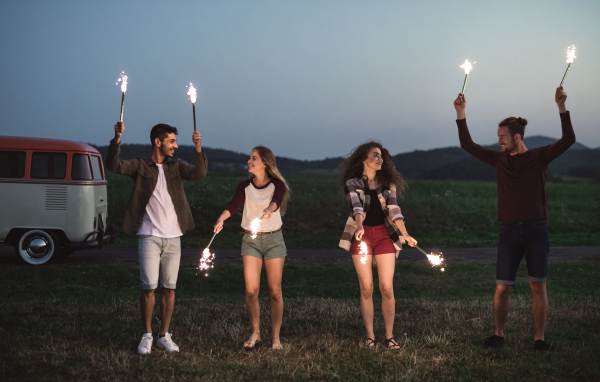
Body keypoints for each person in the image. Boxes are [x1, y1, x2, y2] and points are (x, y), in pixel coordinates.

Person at [453, 87, 575, 352]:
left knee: (537, 286)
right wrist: (461, 113)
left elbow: (568, 139)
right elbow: (467, 145)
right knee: (502, 289)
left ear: (517, 137)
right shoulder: (498, 160)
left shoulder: (539, 156)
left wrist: (562, 108)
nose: (499, 142)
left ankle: (539, 340)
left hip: (536, 230)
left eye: (502, 137)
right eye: (498, 138)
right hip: (508, 231)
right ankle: (498, 335)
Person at [106, 121, 207, 355]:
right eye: (172, 141)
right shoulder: (140, 165)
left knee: (169, 287)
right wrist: (117, 139)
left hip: (174, 237)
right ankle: (147, 335)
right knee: (149, 286)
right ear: (158, 142)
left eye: (176, 141)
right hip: (148, 236)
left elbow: (199, 173)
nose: (176, 146)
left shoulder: (177, 166)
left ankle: (164, 335)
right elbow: (114, 165)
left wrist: (198, 147)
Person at [339, 141, 418, 350]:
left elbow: (394, 209)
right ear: (364, 160)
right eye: (375, 155)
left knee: (386, 287)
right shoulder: (353, 183)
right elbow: (356, 206)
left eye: (382, 155)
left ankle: (389, 336)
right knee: (366, 288)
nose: (380, 158)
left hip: (385, 235)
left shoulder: (387, 183)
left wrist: (405, 234)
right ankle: (370, 336)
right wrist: (359, 227)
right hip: (361, 236)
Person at [213, 146, 290, 350]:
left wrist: (269, 209)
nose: (249, 161)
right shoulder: (244, 186)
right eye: (249, 158)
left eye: (253, 158)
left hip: (274, 240)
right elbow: (234, 205)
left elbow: (277, 201)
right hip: (250, 241)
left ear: (264, 162)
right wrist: (222, 217)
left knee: (275, 291)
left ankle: (275, 338)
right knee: (251, 290)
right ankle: (255, 333)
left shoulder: (277, 185)